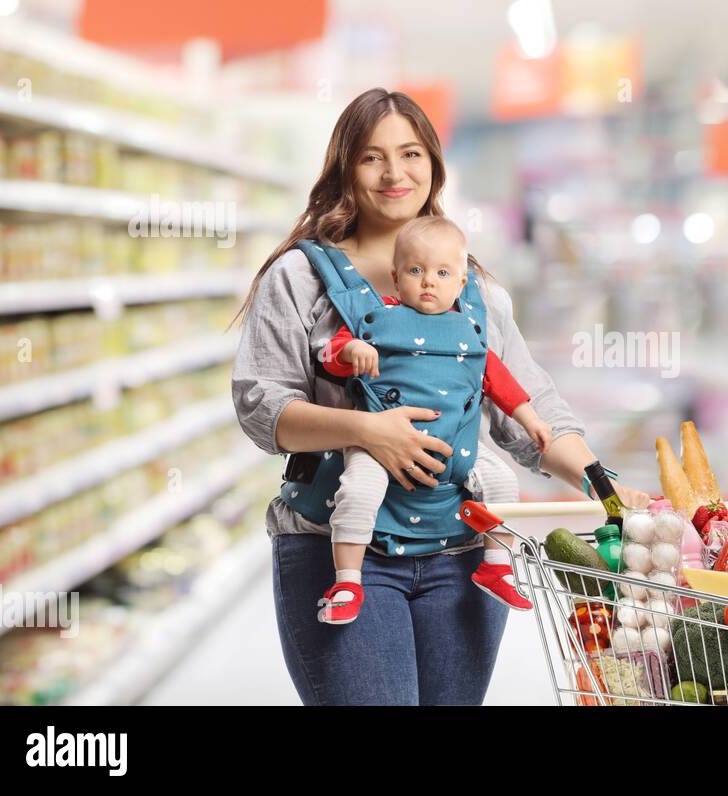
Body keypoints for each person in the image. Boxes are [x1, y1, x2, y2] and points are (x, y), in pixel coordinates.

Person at [229, 87, 648, 705]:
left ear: (434, 165)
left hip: (463, 557)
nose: (395, 173)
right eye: (372, 157)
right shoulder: (300, 277)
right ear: (345, 168)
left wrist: (604, 484)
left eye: (411, 154)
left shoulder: (476, 292)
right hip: (337, 548)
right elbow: (261, 407)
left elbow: (531, 417)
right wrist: (368, 432)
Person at [318, 215, 551, 621]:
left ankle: (496, 565)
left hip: (455, 442)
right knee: (357, 492)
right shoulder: (374, 321)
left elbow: (498, 380)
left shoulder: (467, 331)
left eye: (442, 272)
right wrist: (350, 350)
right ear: (395, 277)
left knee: (502, 482)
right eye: (415, 270)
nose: (428, 281)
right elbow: (329, 355)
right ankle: (348, 580)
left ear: (461, 283)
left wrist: (530, 418)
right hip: (377, 442)